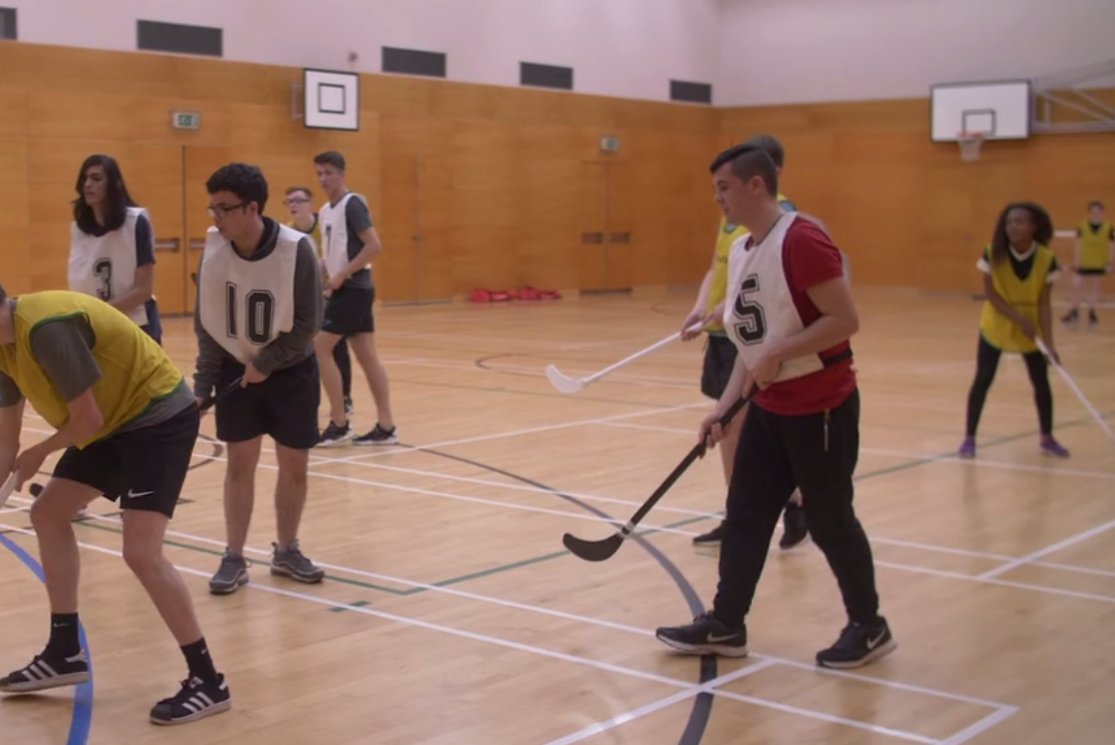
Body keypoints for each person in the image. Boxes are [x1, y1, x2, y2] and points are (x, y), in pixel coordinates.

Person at [656, 144, 895, 669]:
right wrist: (723, 409)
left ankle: (869, 624)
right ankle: (726, 624)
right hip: (769, 409)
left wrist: (780, 352)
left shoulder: (802, 239)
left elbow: (844, 319)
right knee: (745, 514)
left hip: (822, 407)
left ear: (756, 185)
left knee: (831, 520)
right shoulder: (742, 249)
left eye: (724, 186)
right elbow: (750, 345)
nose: (717, 197)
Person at [0, 286, 229, 724]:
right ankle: (65, 651)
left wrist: (41, 451)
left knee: (140, 550)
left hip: (156, 417)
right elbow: (6, 441)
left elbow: (86, 420)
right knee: (47, 512)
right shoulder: (4, 348)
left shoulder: (46, 329)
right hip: (112, 424)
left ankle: (208, 680)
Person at [194, 164, 327, 595]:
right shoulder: (214, 250)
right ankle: (234, 556)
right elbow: (209, 324)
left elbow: (308, 323)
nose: (216, 217)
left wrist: (268, 362)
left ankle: (287, 549)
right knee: (239, 464)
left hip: (291, 373)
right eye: (212, 207)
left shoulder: (297, 249)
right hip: (237, 368)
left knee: (294, 466)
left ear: (252, 208)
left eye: (224, 208)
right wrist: (203, 384)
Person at [681, 134, 807, 551]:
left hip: (754, 338)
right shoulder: (732, 213)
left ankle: (761, 511)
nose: (720, 195)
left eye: (726, 185)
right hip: (722, 335)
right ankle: (772, 506)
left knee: (739, 430)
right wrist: (703, 306)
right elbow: (717, 267)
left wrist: (729, 310)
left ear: (766, 176)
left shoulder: (780, 219)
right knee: (731, 429)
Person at [959, 202, 1068, 459]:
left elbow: (1044, 303)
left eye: (1019, 221)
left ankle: (1047, 437)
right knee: (983, 379)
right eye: (1009, 222)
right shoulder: (992, 253)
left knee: (1041, 382)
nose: (1012, 227)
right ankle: (969, 438)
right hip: (997, 323)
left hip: (1031, 327)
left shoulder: (1046, 258)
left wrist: (1050, 344)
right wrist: (1020, 319)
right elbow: (991, 295)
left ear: (1033, 226)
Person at [311, 151, 398, 446]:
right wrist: (314, 270)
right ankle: (386, 425)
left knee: (320, 348)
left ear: (342, 174)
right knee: (366, 355)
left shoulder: (353, 204)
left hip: (354, 289)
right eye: (319, 173)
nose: (323, 179)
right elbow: (332, 255)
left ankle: (339, 421)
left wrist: (342, 274)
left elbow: (374, 246)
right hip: (346, 289)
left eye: (328, 173)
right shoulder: (324, 211)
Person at [68, 154, 162, 343]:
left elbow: (143, 289)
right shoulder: (79, 230)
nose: (87, 184)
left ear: (114, 184)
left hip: (136, 325)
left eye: (96, 178)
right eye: (84, 179)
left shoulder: (135, 223)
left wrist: (102, 314)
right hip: (96, 327)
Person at [284, 185, 354, 417]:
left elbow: (336, 256)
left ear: (310, 204)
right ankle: (309, 397)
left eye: (298, 200)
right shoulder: (289, 234)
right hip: (309, 298)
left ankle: (344, 397)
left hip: (336, 290)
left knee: (337, 347)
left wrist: (330, 283)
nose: (293, 204)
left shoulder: (324, 225)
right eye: (289, 201)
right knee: (309, 349)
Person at [1061, 200, 1113, 327]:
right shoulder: (1082, 226)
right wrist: (1077, 261)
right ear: (1090, 212)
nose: (1095, 213)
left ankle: (1092, 312)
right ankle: (1074, 311)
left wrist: (1110, 262)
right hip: (1084, 261)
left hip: (1099, 261)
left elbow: (1112, 246)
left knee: (1095, 286)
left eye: (1098, 211)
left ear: (1102, 212)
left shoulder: (1108, 227)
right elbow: (1078, 245)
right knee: (1077, 285)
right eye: (1093, 211)